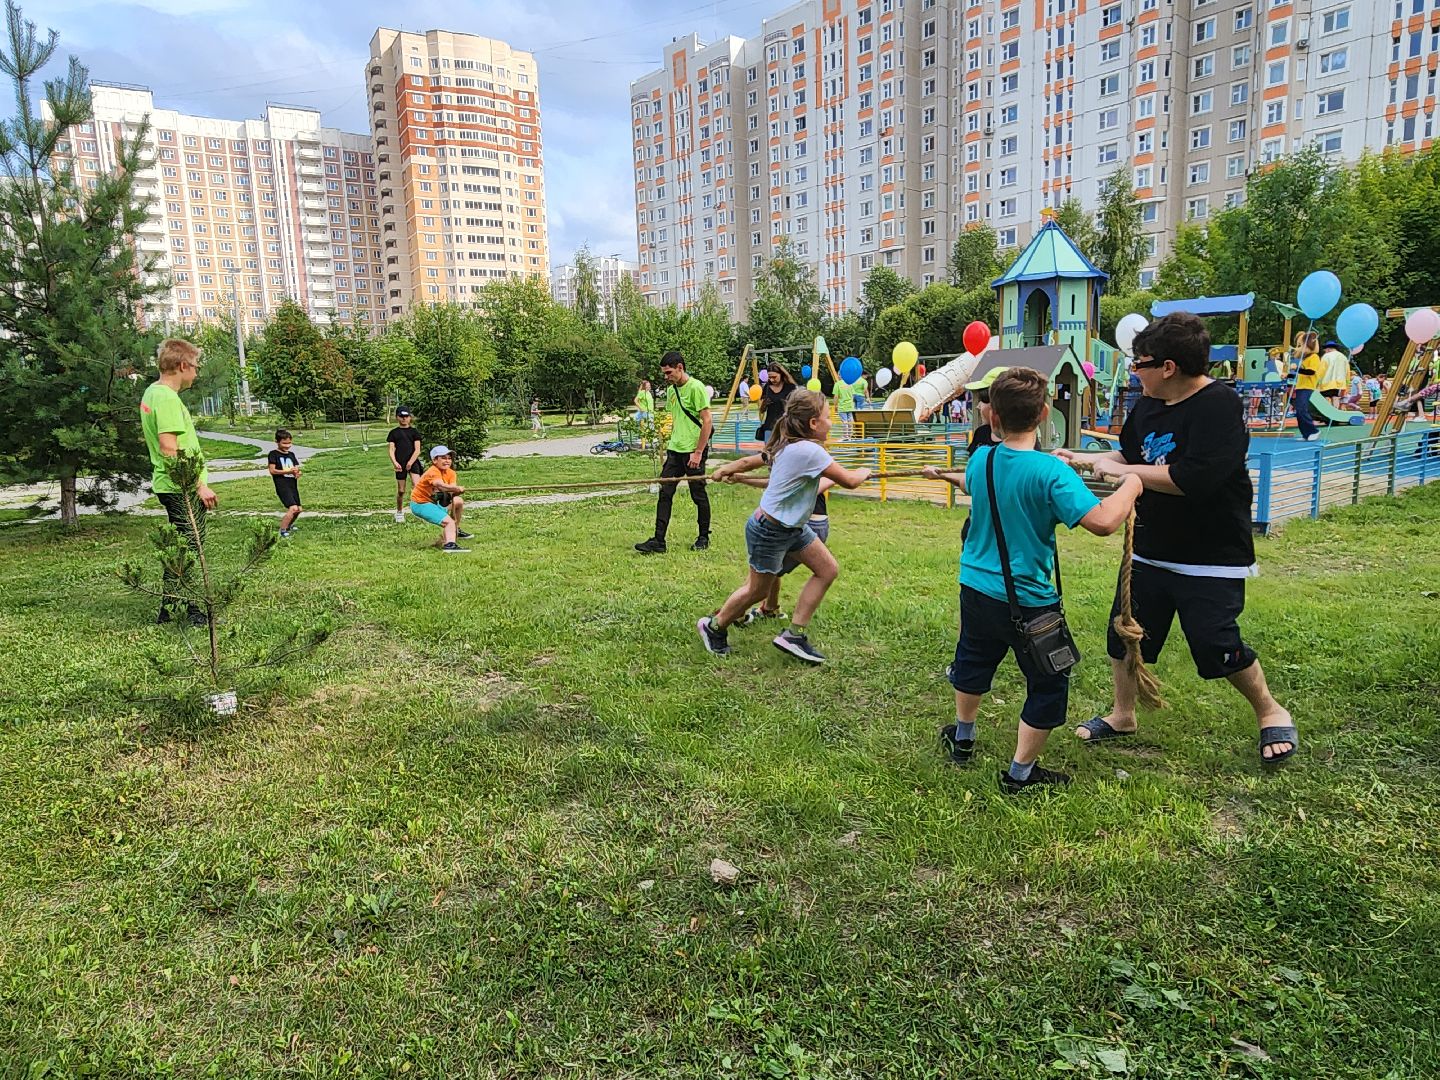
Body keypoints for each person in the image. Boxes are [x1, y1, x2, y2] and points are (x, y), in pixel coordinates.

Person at [1059, 312, 1298, 766]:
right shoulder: (1147, 403)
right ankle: (1123, 714)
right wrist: (1080, 459)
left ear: (1168, 366)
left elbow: (1196, 478)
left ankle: (1270, 710)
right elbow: (1128, 455)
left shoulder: (1219, 405)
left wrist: (1125, 471)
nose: (1135, 372)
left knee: (1215, 642)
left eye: (1139, 363)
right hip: (1151, 546)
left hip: (1210, 551)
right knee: (1126, 635)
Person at [923, 368, 1143, 792]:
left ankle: (963, 737)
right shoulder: (1051, 473)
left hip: (976, 589)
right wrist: (1131, 485)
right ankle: (1020, 774)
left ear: (992, 418)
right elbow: (1101, 522)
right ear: (1044, 414)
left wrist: (941, 475)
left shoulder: (983, 459)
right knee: (1048, 681)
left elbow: (972, 483)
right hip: (1029, 599)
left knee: (973, 660)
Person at [699, 390, 872, 663]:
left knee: (827, 570)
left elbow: (749, 461)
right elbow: (850, 481)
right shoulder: (810, 451)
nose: (832, 423)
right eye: (828, 418)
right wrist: (865, 471)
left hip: (792, 528)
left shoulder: (787, 445)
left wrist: (727, 469)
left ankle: (794, 635)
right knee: (758, 591)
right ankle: (714, 626)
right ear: (813, 423)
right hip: (770, 531)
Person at [140, 338, 218, 626]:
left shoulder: (152, 393)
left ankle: (168, 609)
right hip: (180, 487)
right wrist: (198, 485)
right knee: (191, 547)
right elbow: (169, 448)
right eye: (195, 367)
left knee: (181, 547)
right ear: (183, 365)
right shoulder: (167, 398)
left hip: (169, 485)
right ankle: (193, 610)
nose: (196, 373)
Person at [635, 351, 714, 554]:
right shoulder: (672, 391)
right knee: (665, 492)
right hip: (675, 450)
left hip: (693, 451)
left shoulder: (696, 387)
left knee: (698, 494)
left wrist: (698, 452)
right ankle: (659, 540)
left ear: (680, 368)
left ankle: (703, 537)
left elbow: (707, 421)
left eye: (669, 372)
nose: (666, 376)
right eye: (664, 373)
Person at [732, 474, 837, 626]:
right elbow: (770, 479)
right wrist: (740, 477)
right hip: (791, 522)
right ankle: (770, 608)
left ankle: (731, 615)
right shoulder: (783, 455)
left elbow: (830, 478)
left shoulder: (805, 454)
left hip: (807, 524)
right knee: (772, 567)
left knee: (763, 574)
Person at [409, 445, 471, 553]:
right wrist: (456, 488)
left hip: (436, 503)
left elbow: (451, 492)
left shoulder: (451, 473)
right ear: (434, 460)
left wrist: (456, 491)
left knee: (458, 501)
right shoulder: (433, 471)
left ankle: (455, 530)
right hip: (421, 504)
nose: (447, 461)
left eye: (449, 458)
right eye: (443, 458)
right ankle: (450, 545)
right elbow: (440, 485)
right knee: (449, 523)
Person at [387, 407, 423, 524]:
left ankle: (421, 510)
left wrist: (410, 462)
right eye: (402, 416)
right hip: (400, 464)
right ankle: (399, 511)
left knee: (417, 486)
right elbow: (391, 449)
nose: (404, 419)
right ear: (397, 417)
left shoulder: (414, 432)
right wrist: (395, 462)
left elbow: (417, 450)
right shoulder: (394, 433)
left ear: (410, 417)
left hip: (413, 462)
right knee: (401, 490)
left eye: (406, 416)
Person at [267, 429, 303, 538]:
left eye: (289, 443)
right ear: (277, 442)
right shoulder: (273, 454)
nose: (287, 445)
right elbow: (272, 471)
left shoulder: (291, 455)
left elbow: (296, 468)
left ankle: (289, 526)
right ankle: (282, 531)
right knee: (293, 508)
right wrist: (288, 471)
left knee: (299, 509)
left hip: (292, 484)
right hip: (282, 485)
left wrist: (297, 473)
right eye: (284, 443)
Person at [1291, 330, 1322, 441]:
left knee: (1302, 409)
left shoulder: (1314, 357)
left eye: (1301, 345)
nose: (1299, 347)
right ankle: (1306, 434)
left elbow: (1310, 372)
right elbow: (1302, 373)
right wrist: (1289, 374)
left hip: (1307, 386)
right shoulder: (1306, 358)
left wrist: (1297, 369)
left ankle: (1313, 431)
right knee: (1299, 411)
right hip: (1301, 386)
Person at [757, 364, 797, 441]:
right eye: (769, 377)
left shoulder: (790, 387)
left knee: (784, 451)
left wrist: (787, 406)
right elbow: (762, 410)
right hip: (769, 426)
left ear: (781, 374)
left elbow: (797, 408)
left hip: (785, 427)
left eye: (774, 377)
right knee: (769, 451)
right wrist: (764, 404)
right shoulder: (767, 387)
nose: (771, 380)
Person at [834, 370, 857, 438]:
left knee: (844, 421)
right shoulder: (850, 383)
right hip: (850, 406)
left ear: (839, 375)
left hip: (842, 406)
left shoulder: (837, 384)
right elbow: (853, 395)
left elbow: (836, 396)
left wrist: (835, 405)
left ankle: (845, 436)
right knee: (850, 420)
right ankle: (850, 435)